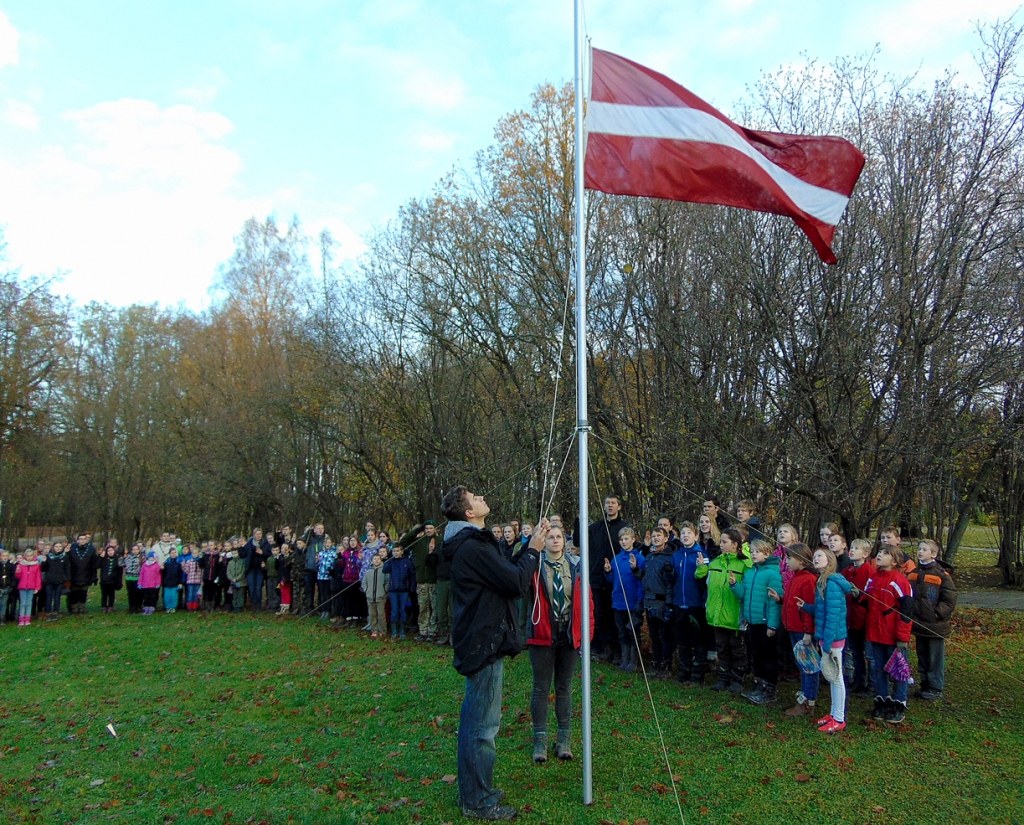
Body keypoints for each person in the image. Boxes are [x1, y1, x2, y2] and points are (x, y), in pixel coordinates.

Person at [442, 485, 543, 822]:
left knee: (482, 722)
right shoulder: (472, 547)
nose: (482, 497)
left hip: (483, 639)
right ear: (468, 512)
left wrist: (529, 549)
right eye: (475, 497)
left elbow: (504, 575)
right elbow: (515, 583)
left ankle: (477, 791)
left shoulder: (478, 543)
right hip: (481, 641)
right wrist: (532, 553)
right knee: (480, 728)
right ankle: (478, 801)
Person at [526, 523, 592, 763]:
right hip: (542, 633)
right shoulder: (534, 565)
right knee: (541, 688)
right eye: (550, 537)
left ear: (565, 541)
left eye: (558, 537)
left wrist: (586, 635)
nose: (555, 541)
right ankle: (540, 741)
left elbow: (587, 602)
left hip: (568, 634)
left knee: (564, 688)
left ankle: (564, 739)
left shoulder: (575, 566)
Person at [796, 549, 852, 734]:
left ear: (830, 561)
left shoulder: (832, 584)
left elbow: (833, 617)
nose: (815, 558)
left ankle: (839, 718)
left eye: (820, 556)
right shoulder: (822, 581)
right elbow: (821, 611)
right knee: (832, 678)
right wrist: (806, 607)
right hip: (826, 639)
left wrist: (827, 644)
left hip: (833, 640)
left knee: (836, 679)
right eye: (815, 556)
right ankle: (833, 714)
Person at [859, 543, 913, 724]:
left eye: (885, 553)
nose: (879, 555)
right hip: (875, 634)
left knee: (898, 671)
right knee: (879, 669)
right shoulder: (873, 578)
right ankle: (882, 701)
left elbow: (906, 613)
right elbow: (865, 601)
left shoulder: (900, 582)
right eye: (879, 552)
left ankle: (899, 703)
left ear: (895, 561)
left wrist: (902, 638)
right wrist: (854, 594)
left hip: (893, 636)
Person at [696, 527, 750, 692]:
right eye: (721, 541)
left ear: (735, 544)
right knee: (722, 648)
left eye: (725, 542)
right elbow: (703, 581)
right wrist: (701, 568)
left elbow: (747, 592)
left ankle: (738, 679)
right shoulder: (715, 562)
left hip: (735, 616)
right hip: (717, 615)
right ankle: (722, 678)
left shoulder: (744, 564)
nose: (721, 544)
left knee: (737, 649)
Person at [729, 538, 783, 705]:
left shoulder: (773, 573)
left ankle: (769, 689)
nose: (753, 554)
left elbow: (775, 602)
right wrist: (734, 585)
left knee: (768, 656)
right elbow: (745, 596)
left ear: (766, 553)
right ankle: (759, 684)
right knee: (756, 655)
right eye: (752, 552)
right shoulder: (751, 572)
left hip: (766, 623)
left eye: (757, 552)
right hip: (752, 621)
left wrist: (772, 625)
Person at [581, 495, 631, 664]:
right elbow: (578, 541)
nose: (610, 506)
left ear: (619, 506)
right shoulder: (595, 527)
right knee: (599, 614)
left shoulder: (624, 528)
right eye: (607, 503)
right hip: (596, 578)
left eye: (613, 503)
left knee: (616, 616)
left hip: (617, 580)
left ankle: (618, 650)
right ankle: (603, 648)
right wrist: (577, 522)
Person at [906, 539, 957, 701]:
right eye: (919, 549)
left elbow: (949, 599)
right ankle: (925, 683)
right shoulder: (914, 573)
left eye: (925, 550)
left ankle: (935, 686)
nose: (920, 552)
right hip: (918, 623)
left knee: (935, 657)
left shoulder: (941, 575)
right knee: (922, 654)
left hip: (935, 625)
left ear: (933, 554)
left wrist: (937, 614)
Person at [774, 544, 819, 718]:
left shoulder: (808, 579)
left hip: (803, 631)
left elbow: (807, 606)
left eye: (790, 558)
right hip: (793, 627)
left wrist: (808, 631)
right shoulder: (795, 577)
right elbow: (793, 600)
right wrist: (781, 599)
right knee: (802, 665)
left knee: (809, 666)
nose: (787, 561)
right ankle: (804, 696)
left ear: (800, 560)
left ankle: (809, 702)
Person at [670, 521, 707, 686]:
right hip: (679, 603)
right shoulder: (676, 555)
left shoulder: (702, 556)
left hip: (695, 605)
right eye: (683, 533)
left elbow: (706, 581)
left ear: (696, 536)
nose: (686, 536)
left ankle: (697, 674)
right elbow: (671, 580)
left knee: (698, 641)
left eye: (689, 533)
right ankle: (684, 671)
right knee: (682, 640)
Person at [604, 527, 645, 672]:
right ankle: (624, 659)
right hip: (618, 601)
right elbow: (612, 580)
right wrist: (608, 572)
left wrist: (640, 601)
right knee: (621, 631)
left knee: (632, 631)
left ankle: (634, 661)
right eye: (621, 540)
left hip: (633, 601)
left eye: (626, 539)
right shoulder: (616, 559)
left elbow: (641, 581)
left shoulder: (639, 558)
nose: (623, 542)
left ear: (633, 539)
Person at [637, 526, 676, 677]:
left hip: (662, 601)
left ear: (666, 538)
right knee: (654, 635)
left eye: (659, 535)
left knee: (664, 635)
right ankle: (656, 663)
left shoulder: (669, 557)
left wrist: (669, 604)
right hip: (648, 600)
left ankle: (666, 665)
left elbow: (671, 582)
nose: (656, 538)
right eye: (653, 536)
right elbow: (645, 577)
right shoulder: (649, 557)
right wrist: (635, 570)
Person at [842, 538, 875, 696]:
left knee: (870, 655)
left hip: (865, 620)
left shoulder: (869, 572)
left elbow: (872, 597)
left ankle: (873, 684)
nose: (852, 550)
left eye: (856, 548)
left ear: (866, 554)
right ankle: (859, 681)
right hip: (850, 618)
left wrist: (858, 596)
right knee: (855, 652)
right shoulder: (847, 571)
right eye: (851, 547)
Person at [384, 544, 416, 639]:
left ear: (401, 552)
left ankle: (402, 630)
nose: (395, 553)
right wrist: (387, 559)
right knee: (394, 611)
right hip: (393, 590)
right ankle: (394, 630)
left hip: (404, 590)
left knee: (402, 610)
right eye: (394, 551)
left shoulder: (407, 562)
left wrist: (412, 587)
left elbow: (412, 575)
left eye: (397, 551)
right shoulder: (391, 562)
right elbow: (384, 570)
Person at [67, 533, 99, 615]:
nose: (82, 540)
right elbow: (68, 563)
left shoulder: (91, 550)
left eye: (84, 539)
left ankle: (82, 608)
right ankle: (74, 608)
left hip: (86, 575)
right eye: (80, 539)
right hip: (74, 575)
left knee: (83, 593)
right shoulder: (72, 550)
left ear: (86, 540)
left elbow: (94, 564)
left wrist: (94, 577)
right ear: (77, 540)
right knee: (74, 593)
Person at [42, 541, 71, 622]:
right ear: (53, 548)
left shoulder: (64, 557)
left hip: (59, 580)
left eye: (59, 546)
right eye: (56, 546)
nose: (58, 548)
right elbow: (43, 569)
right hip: (49, 580)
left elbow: (67, 569)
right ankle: (48, 613)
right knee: (49, 597)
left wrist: (67, 579)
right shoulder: (48, 556)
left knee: (57, 597)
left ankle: (55, 613)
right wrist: (44, 562)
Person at [362, 552, 388, 638]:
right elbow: (364, 583)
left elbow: (387, 582)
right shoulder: (368, 572)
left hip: (380, 596)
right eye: (374, 559)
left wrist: (385, 591)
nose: (376, 561)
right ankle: (374, 630)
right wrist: (366, 591)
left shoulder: (384, 570)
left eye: (378, 559)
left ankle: (382, 630)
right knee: (372, 614)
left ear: (381, 560)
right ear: (371, 561)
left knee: (381, 615)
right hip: (370, 597)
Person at [15, 547, 43, 626]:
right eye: (27, 556)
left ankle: (27, 618)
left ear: (33, 556)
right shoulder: (21, 564)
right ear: (25, 556)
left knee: (29, 603)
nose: (29, 558)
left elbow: (38, 577)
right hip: (23, 586)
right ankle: (21, 618)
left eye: (31, 556)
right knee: (23, 603)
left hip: (31, 586)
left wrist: (37, 587)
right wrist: (18, 572)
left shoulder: (36, 565)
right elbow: (18, 577)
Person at [98, 544, 123, 614]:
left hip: (113, 581)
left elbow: (119, 572)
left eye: (111, 550)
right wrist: (100, 557)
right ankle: (103, 606)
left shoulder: (117, 560)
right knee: (104, 595)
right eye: (108, 551)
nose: (110, 552)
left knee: (112, 594)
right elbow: (97, 565)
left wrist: (119, 582)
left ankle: (110, 606)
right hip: (104, 581)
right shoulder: (104, 560)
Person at [124, 543, 144, 614]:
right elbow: (122, 564)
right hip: (129, 578)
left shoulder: (142, 558)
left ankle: (138, 606)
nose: (135, 551)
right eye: (133, 549)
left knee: (138, 593)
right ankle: (131, 607)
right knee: (130, 593)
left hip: (138, 578)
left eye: (136, 549)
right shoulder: (128, 557)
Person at [162, 547, 183, 613]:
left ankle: (173, 607)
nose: (173, 554)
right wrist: (162, 569)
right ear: (169, 554)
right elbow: (163, 574)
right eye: (171, 553)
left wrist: (180, 583)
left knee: (174, 596)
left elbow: (180, 574)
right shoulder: (166, 563)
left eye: (174, 553)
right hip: (167, 583)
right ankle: (168, 607)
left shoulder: (178, 563)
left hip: (175, 583)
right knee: (167, 596)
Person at [0, 548, 15, 626]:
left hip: (7, 588)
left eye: (6, 556)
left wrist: (10, 586)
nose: (5, 557)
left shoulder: (11, 566)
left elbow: (13, 577)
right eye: (3, 556)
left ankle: (2, 619)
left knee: (4, 604)